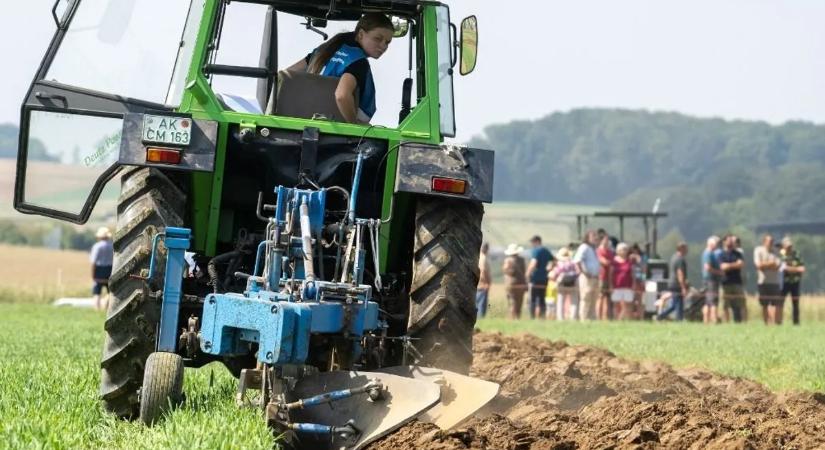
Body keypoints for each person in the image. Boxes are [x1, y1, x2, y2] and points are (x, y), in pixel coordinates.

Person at [288, 13, 394, 123]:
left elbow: (286, 75)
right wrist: (353, 126)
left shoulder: (324, 50)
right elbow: (342, 95)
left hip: (304, 121)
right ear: (361, 34)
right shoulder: (358, 62)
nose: (383, 46)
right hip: (334, 127)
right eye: (377, 39)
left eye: (387, 42)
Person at [754, 234, 782, 325]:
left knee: (775, 304)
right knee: (764, 304)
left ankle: (774, 323)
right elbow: (758, 265)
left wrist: (765, 265)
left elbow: (777, 266)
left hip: (774, 282)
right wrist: (771, 264)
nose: (771, 243)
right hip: (762, 282)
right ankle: (766, 323)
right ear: (764, 242)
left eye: (772, 242)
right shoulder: (758, 250)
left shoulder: (776, 252)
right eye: (769, 242)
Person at [573, 230, 601, 321]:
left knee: (594, 298)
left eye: (596, 236)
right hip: (587, 277)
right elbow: (577, 260)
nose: (595, 238)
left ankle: (592, 317)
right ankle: (584, 318)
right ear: (587, 238)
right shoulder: (584, 247)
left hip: (595, 277)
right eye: (593, 236)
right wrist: (584, 272)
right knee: (586, 298)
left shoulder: (594, 249)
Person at [657, 242, 689, 321]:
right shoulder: (680, 259)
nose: (687, 250)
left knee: (674, 305)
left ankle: (660, 316)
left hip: (672, 283)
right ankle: (679, 319)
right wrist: (683, 287)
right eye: (685, 248)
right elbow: (680, 273)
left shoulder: (673, 257)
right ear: (681, 249)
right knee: (679, 304)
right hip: (677, 284)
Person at [526, 235, 554, 320]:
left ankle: (532, 317)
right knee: (542, 299)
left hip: (535, 278)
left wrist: (527, 274)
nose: (532, 244)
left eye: (533, 242)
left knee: (533, 299)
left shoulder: (536, 251)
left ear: (537, 241)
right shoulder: (546, 251)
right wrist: (549, 268)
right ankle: (542, 317)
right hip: (544, 278)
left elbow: (533, 263)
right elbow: (554, 260)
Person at [719, 235, 745, 323]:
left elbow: (741, 264)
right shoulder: (721, 254)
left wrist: (729, 265)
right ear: (724, 242)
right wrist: (735, 265)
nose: (731, 242)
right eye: (729, 240)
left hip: (737, 282)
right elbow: (722, 267)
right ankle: (727, 322)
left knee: (740, 304)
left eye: (731, 241)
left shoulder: (738, 254)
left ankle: (741, 322)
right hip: (725, 282)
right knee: (725, 305)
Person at [780, 236, 806, 325]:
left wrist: (789, 269)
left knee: (795, 303)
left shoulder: (797, 254)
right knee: (780, 302)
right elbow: (782, 268)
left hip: (795, 282)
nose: (789, 248)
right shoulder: (781, 255)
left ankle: (796, 322)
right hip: (784, 282)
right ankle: (779, 321)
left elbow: (802, 269)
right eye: (787, 246)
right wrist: (796, 269)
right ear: (783, 246)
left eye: (790, 246)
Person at [549, 247, 579, 321]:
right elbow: (578, 272)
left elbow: (553, 274)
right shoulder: (573, 263)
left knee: (560, 301)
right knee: (574, 302)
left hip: (561, 285)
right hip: (572, 284)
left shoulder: (559, 264)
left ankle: (560, 318)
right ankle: (573, 317)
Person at [611, 243, 638, 320]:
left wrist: (634, 284)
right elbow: (610, 274)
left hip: (628, 286)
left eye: (626, 249)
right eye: (623, 249)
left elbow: (633, 274)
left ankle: (626, 319)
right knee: (616, 304)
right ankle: (616, 319)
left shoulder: (630, 261)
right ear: (618, 251)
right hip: (617, 286)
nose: (624, 251)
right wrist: (611, 285)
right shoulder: (614, 261)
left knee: (628, 304)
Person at [90, 226, 114, 311]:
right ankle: (106, 307)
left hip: (99, 269)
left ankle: (97, 309)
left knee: (97, 292)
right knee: (110, 291)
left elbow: (93, 261)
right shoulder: (112, 246)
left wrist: (92, 274)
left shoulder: (97, 246)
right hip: (110, 269)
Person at [701, 236, 723, 324]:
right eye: (716, 243)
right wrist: (719, 272)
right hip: (711, 280)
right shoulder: (708, 253)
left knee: (708, 301)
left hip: (709, 279)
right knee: (713, 301)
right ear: (711, 244)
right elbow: (707, 267)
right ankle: (714, 320)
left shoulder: (709, 253)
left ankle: (706, 320)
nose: (717, 245)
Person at [502, 243, 527, 320]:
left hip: (510, 285)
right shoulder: (522, 260)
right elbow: (524, 271)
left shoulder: (507, 260)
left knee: (512, 302)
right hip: (521, 284)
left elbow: (505, 270)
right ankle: (517, 318)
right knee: (519, 303)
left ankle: (511, 318)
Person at [596, 236, 614, 321]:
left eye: (608, 240)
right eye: (605, 240)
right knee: (600, 296)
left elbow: (611, 263)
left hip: (609, 277)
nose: (607, 242)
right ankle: (598, 317)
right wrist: (608, 262)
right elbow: (603, 261)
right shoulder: (598, 251)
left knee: (608, 297)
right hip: (601, 277)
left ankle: (606, 317)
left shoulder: (610, 252)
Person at [476, 242, 492, 320]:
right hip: (483, 284)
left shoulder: (479, 257)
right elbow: (483, 271)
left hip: (479, 284)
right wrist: (486, 283)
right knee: (482, 303)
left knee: (478, 301)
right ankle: (481, 318)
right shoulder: (484, 258)